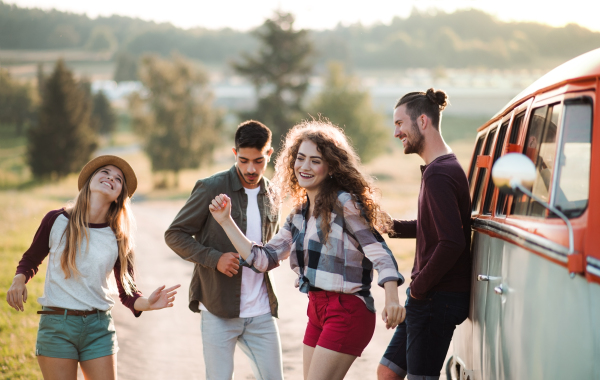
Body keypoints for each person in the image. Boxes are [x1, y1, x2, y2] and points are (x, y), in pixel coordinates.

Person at [208, 120, 406, 380]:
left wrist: (392, 297)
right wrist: (225, 221)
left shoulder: (344, 203)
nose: (304, 166)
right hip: (316, 310)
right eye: (300, 158)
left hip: (347, 310)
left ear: (331, 166)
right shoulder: (299, 214)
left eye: (315, 160)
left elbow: (379, 252)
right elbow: (262, 259)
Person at [6, 155, 180, 380]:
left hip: (99, 329)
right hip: (57, 325)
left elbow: (127, 292)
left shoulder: (118, 238)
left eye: (118, 179)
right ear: (89, 180)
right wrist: (19, 280)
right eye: (105, 172)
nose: (111, 178)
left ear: (119, 196)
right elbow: (31, 259)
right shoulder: (56, 220)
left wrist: (147, 303)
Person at [164, 120, 283, 380]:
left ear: (269, 154)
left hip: (261, 311)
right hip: (218, 308)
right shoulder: (211, 187)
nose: (251, 169)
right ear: (234, 153)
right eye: (243, 160)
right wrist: (214, 258)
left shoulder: (273, 193)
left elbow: (271, 248)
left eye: (259, 161)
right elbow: (174, 234)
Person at [377, 89, 472, 380]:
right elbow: (436, 227)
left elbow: (452, 242)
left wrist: (418, 289)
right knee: (387, 373)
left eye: (399, 124)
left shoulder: (439, 174)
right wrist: (390, 226)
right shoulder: (441, 167)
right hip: (428, 297)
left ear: (422, 121)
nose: (396, 133)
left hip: (434, 299)